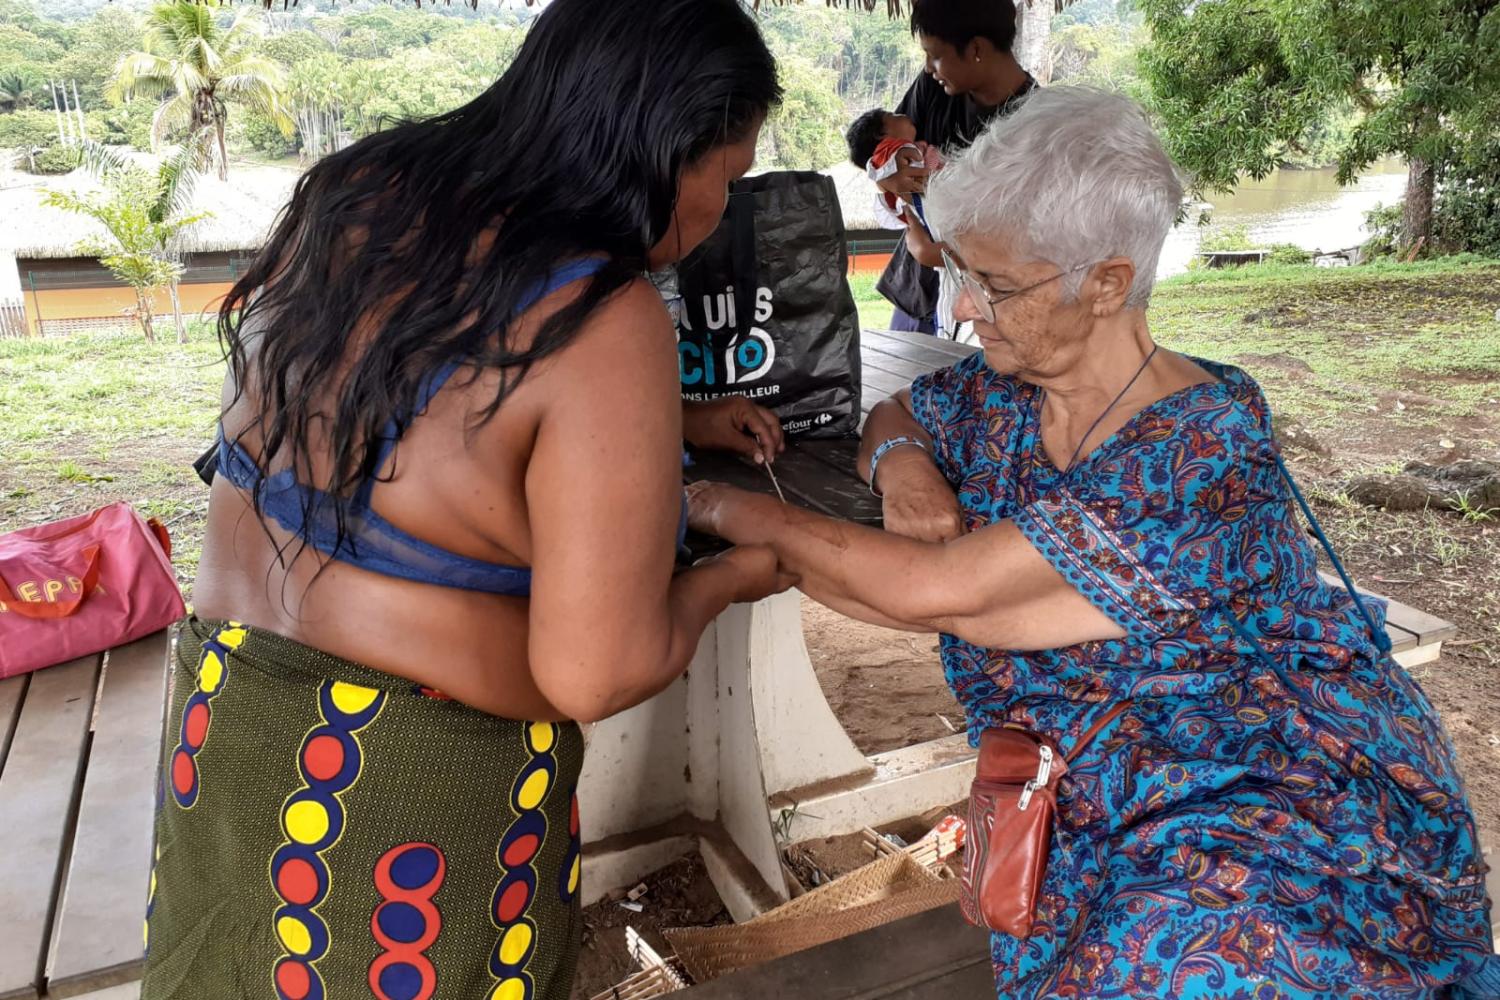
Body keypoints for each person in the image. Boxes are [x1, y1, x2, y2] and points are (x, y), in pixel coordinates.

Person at [689, 87, 1496, 998]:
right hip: (1095, 772)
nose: (960, 307)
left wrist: (724, 512)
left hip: (1263, 770)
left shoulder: (1200, 442)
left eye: (990, 283)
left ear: (1108, 283)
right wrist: (905, 463)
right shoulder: (1007, 388)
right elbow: (899, 410)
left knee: (1207, 952)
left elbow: (933, 590)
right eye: (956, 269)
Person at [142, 2, 787, 998]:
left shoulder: (357, 192)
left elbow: (408, 409)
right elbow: (594, 671)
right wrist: (738, 575)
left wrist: (671, 426)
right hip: (401, 794)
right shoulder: (600, 316)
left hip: (226, 719)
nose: (719, 212)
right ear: (669, 145)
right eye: (728, 176)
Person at [875, 0, 1036, 336]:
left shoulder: (1034, 122)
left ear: (976, 48)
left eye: (934, 55)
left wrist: (936, 253)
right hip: (917, 294)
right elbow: (879, 156)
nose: (929, 67)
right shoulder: (933, 89)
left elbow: (1027, 238)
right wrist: (889, 177)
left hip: (990, 303)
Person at [845, 108, 944, 231]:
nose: (903, 114)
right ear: (881, 135)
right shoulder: (891, 158)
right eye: (893, 115)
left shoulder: (901, 155)